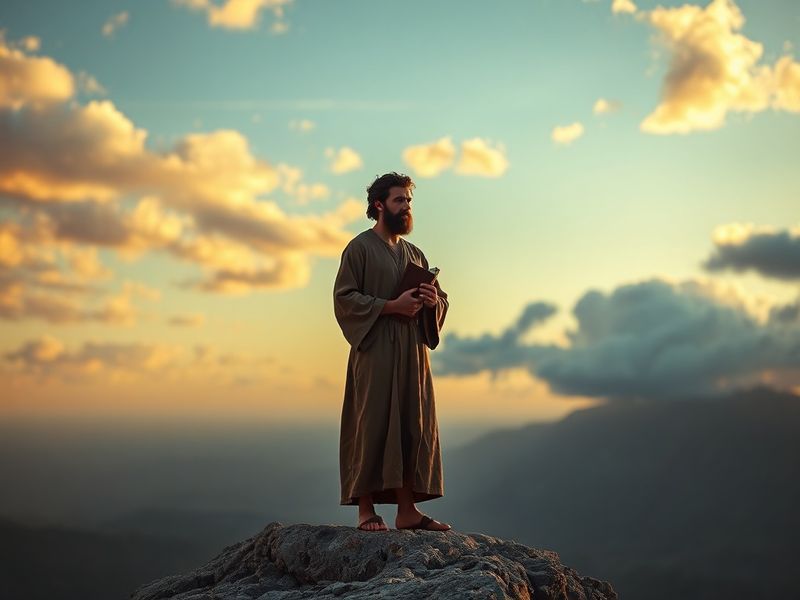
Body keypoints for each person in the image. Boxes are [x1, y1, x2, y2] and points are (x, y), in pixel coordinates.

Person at [332, 171, 451, 532]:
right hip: (376, 352)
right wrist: (390, 306)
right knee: (372, 423)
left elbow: (440, 299)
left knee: (409, 424)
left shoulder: (415, 253)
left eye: (409, 201)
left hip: (412, 355)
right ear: (379, 205)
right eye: (400, 200)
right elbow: (344, 298)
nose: (406, 207)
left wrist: (433, 301)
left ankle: (407, 510)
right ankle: (365, 510)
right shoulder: (359, 249)